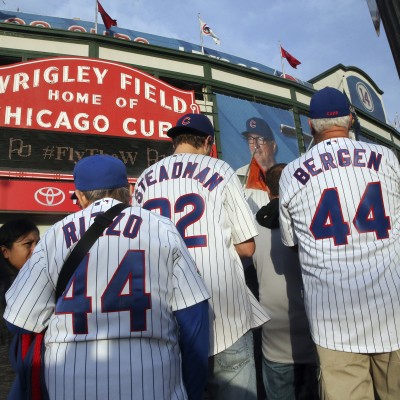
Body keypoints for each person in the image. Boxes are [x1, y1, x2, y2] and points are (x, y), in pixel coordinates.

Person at [4, 154, 210, 400]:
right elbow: (194, 319)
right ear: (128, 191)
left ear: (80, 195)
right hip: (152, 383)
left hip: (71, 384)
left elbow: (17, 320)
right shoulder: (161, 228)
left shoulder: (56, 234)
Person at [132, 113, 270, 400]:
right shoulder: (221, 169)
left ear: (175, 141)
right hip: (223, 312)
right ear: (208, 141)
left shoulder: (145, 178)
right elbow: (246, 248)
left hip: (167, 314)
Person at [279, 87, 400, 400]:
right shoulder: (386, 158)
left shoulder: (292, 173)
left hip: (333, 321)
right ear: (350, 118)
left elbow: (293, 244)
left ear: (309, 124)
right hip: (393, 310)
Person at [254, 163, 319, 400]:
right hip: (317, 340)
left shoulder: (251, 226)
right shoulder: (313, 220)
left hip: (274, 341)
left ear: (268, 189)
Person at [0, 219, 40, 400]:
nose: (36, 249)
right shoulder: (9, 287)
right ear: (5, 251)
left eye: (38, 243)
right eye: (27, 244)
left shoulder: (32, 278)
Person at [236, 117, 277, 213]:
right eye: (250, 139)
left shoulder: (284, 174)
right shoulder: (239, 174)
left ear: (273, 146)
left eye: (260, 139)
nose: (255, 145)